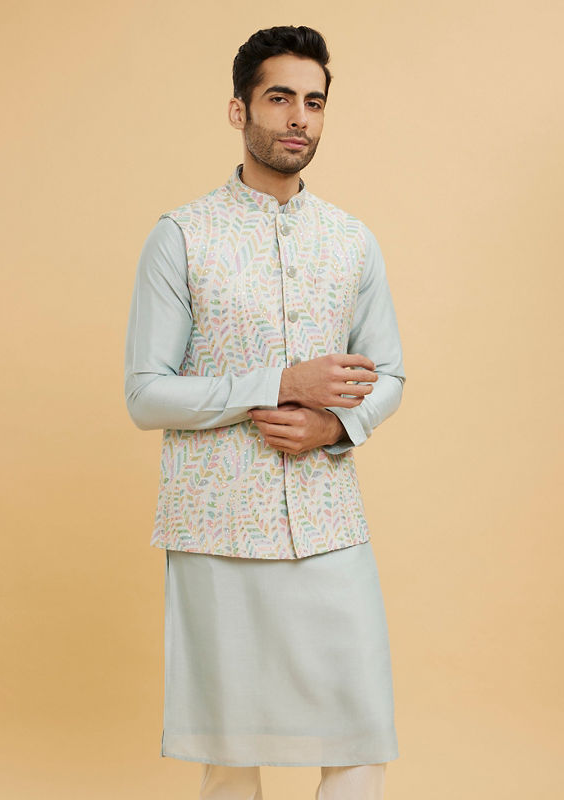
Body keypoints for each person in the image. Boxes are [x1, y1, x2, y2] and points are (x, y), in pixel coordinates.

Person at [124, 24, 406, 800]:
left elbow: (390, 374)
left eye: (313, 102)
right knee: (229, 758)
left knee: (360, 741)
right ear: (238, 110)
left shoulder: (352, 242)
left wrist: (334, 426)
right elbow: (145, 393)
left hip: (328, 523)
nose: (298, 118)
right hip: (216, 530)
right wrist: (276, 382)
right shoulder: (181, 237)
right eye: (280, 98)